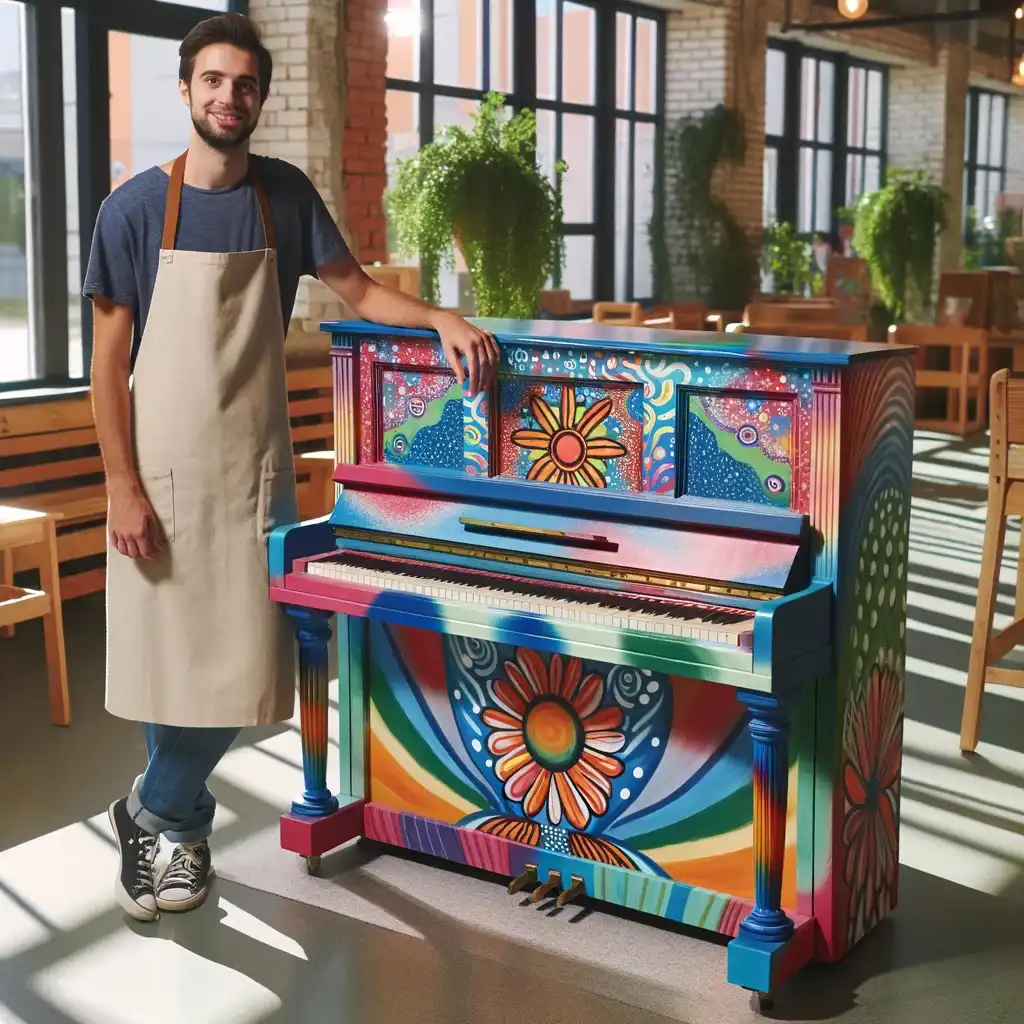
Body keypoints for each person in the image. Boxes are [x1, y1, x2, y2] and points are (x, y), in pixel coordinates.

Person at [85, 12, 499, 922]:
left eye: (245, 85)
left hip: (249, 478)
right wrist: (121, 485)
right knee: (169, 667)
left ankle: (144, 809)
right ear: (187, 89)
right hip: (157, 476)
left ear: (258, 98)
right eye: (214, 81)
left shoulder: (283, 196)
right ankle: (181, 840)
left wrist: (436, 318)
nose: (229, 98)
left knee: (238, 668)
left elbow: (358, 290)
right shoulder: (132, 210)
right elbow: (106, 365)